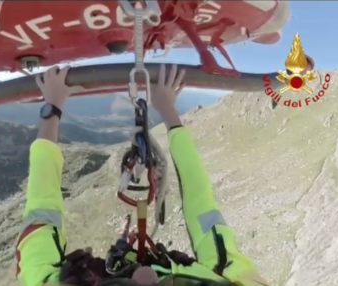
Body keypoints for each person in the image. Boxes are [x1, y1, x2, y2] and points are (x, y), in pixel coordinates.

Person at [15, 64, 270, 286]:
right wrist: (169, 112)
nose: (146, 278)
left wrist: (52, 108)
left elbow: (41, 212)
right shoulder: (237, 281)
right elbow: (203, 206)